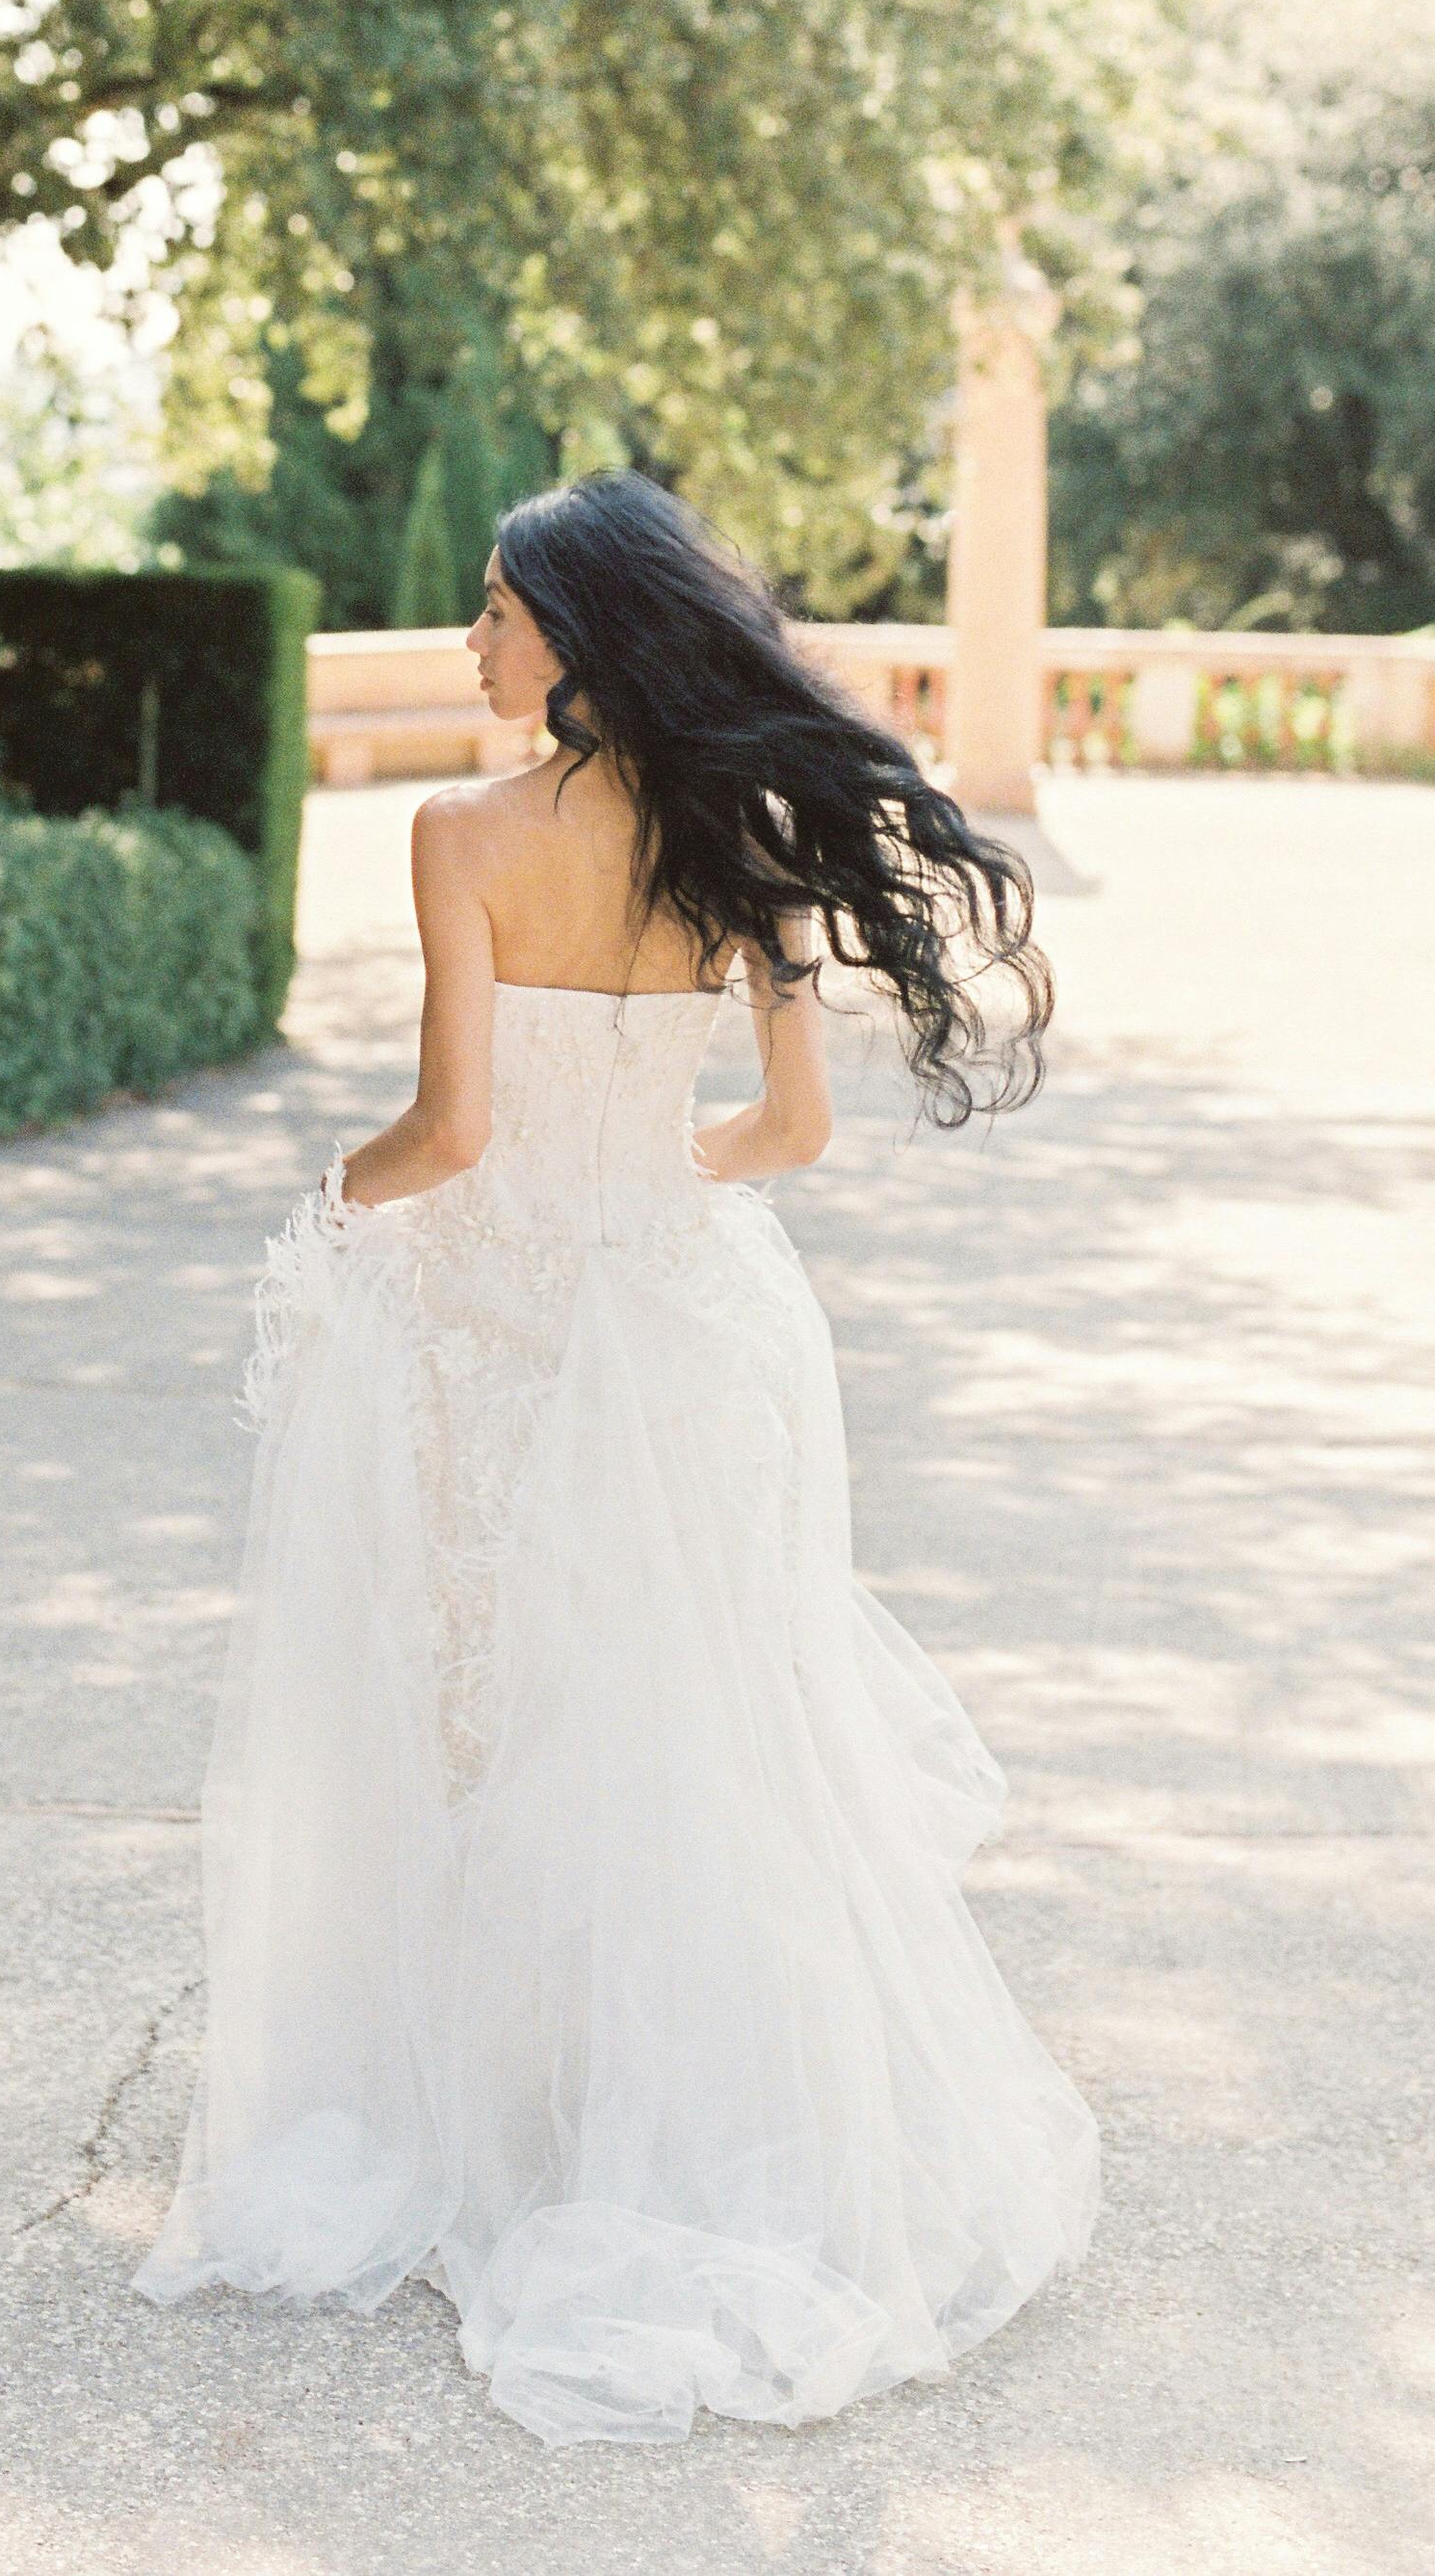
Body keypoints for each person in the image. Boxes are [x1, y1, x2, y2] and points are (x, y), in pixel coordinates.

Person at [132, 470, 1099, 2445]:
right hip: (684, 1334)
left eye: (493, 611)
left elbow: (449, 1136)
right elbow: (791, 1132)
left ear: (573, 636)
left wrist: (333, 1195)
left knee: (485, 1722)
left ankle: (517, 2134)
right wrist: (643, 1185)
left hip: (500, 1340)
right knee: (688, 1720)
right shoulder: (730, 834)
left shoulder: (460, 835)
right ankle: (698, 2130)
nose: (469, 642)